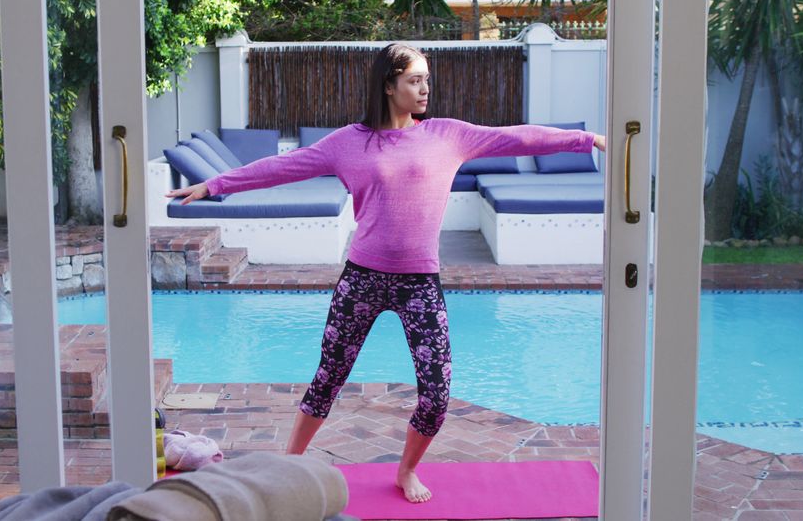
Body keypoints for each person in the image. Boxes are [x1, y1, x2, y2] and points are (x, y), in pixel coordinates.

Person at [166, 43, 607, 503]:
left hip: (420, 284)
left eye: (427, 80)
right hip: (362, 279)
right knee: (327, 379)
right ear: (389, 84)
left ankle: (406, 469)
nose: (424, 88)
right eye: (415, 80)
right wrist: (215, 184)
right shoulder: (348, 142)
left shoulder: (448, 135)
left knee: (436, 396)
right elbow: (281, 167)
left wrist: (586, 139)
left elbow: (519, 137)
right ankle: (290, 464)